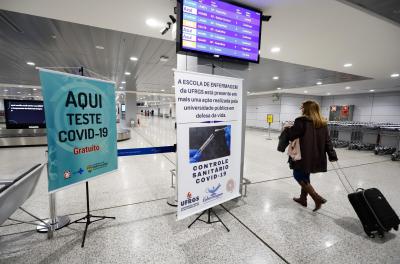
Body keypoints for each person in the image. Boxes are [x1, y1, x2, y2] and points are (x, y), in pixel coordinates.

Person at [278, 100, 337, 212]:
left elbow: (292, 135)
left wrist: (287, 128)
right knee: (305, 175)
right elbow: (327, 141)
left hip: (303, 155)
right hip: (316, 155)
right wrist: (332, 155)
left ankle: (316, 198)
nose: (301, 109)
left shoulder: (302, 121)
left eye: (302, 107)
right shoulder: (322, 122)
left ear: (307, 109)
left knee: (297, 175)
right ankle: (303, 198)